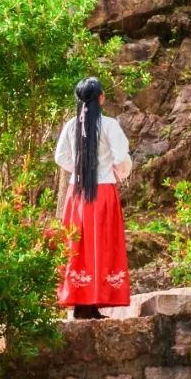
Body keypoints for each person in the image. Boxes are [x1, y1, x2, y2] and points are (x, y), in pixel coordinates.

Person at [54, 76, 132, 319]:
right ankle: (94, 301)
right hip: (104, 192)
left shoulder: (70, 125)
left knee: (78, 245)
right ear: (101, 98)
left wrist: (79, 170)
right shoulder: (109, 125)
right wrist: (117, 173)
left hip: (77, 194)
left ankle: (80, 301)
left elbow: (60, 156)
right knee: (102, 244)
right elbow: (121, 157)